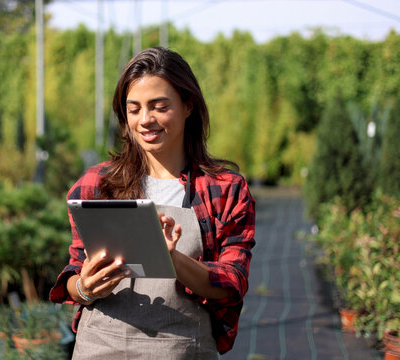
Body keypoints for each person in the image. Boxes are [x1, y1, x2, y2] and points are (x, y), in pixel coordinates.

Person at [49, 46, 256, 359]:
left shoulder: (225, 190)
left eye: (159, 107)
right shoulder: (96, 185)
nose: (145, 120)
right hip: (101, 347)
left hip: (182, 349)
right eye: (134, 109)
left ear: (188, 105)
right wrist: (85, 287)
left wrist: (172, 260)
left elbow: (231, 284)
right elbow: (74, 275)